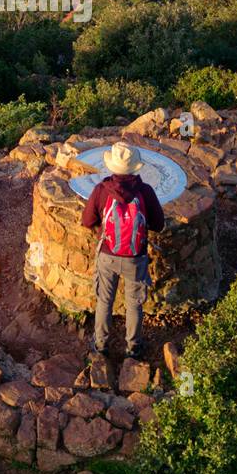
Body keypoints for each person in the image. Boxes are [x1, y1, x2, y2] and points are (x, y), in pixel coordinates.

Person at [80, 142, 165, 358]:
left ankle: (100, 345)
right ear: (135, 168)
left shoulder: (101, 190)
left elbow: (87, 220)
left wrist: (103, 231)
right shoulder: (145, 191)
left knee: (104, 301)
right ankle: (133, 347)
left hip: (108, 255)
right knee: (134, 303)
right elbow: (158, 224)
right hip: (136, 258)